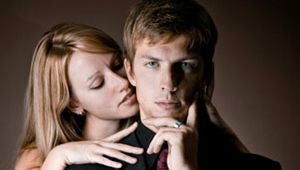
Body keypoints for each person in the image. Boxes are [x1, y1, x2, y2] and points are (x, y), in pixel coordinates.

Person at [67, 0, 282, 169]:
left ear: (206, 75)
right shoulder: (87, 168)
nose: (168, 84)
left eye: (186, 65)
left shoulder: (259, 167)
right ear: (130, 71)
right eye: (152, 64)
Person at [15, 22, 144, 170]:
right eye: (98, 83)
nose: (122, 82)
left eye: (117, 65)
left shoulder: (158, 129)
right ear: (73, 104)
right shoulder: (37, 159)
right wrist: (59, 156)